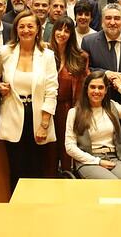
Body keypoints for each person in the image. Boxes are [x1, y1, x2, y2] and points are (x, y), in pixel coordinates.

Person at [0, 10, 58, 191]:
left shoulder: (46, 54)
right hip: (12, 113)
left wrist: (44, 123)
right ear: (16, 29)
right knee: (16, 168)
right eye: (21, 26)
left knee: (37, 167)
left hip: (38, 114)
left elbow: (52, 89)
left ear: (38, 29)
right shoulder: (4, 52)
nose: (26, 30)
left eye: (30, 26)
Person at [81, 3, 121, 173]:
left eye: (117, 18)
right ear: (101, 21)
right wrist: (106, 74)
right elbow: (86, 71)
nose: (112, 22)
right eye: (108, 18)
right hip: (99, 106)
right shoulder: (89, 41)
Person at [65, 71, 121, 179]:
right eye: (92, 87)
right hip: (88, 160)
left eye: (100, 87)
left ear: (106, 90)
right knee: (111, 183)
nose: (96, 91)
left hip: (113, 158)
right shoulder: (74, 112)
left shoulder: (112, 107)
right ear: (86, 89)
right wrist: (98, 161)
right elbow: (70, 147)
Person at [49, 16, 89, 174]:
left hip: (68, 109)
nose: (62, 33)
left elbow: (84, 85)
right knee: (49, 151)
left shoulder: (80, 57)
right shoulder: (45, 53)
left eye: (67, 30)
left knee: (68, 150)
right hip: (47, 109)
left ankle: (68, 179)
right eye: (59, 29)